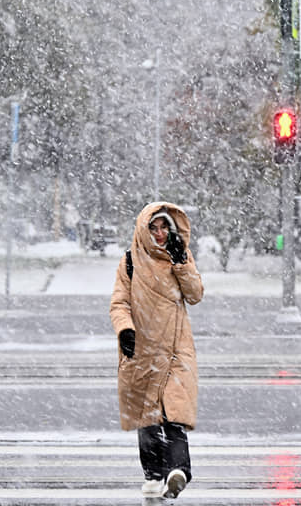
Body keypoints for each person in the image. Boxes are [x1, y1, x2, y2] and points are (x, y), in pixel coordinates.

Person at [109, 202, 204, 499]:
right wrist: (125, 330)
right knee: (148, 419)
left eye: (165, 227)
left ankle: (178, 472)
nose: (160, 233)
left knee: (174, 416)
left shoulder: (180, 255)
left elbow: (196, 294)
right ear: (144, 229)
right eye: (154, 228)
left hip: (176, 349)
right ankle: (153, 474)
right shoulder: (130, 261)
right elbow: (119, 303)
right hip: (142, 350)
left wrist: (182, 264)